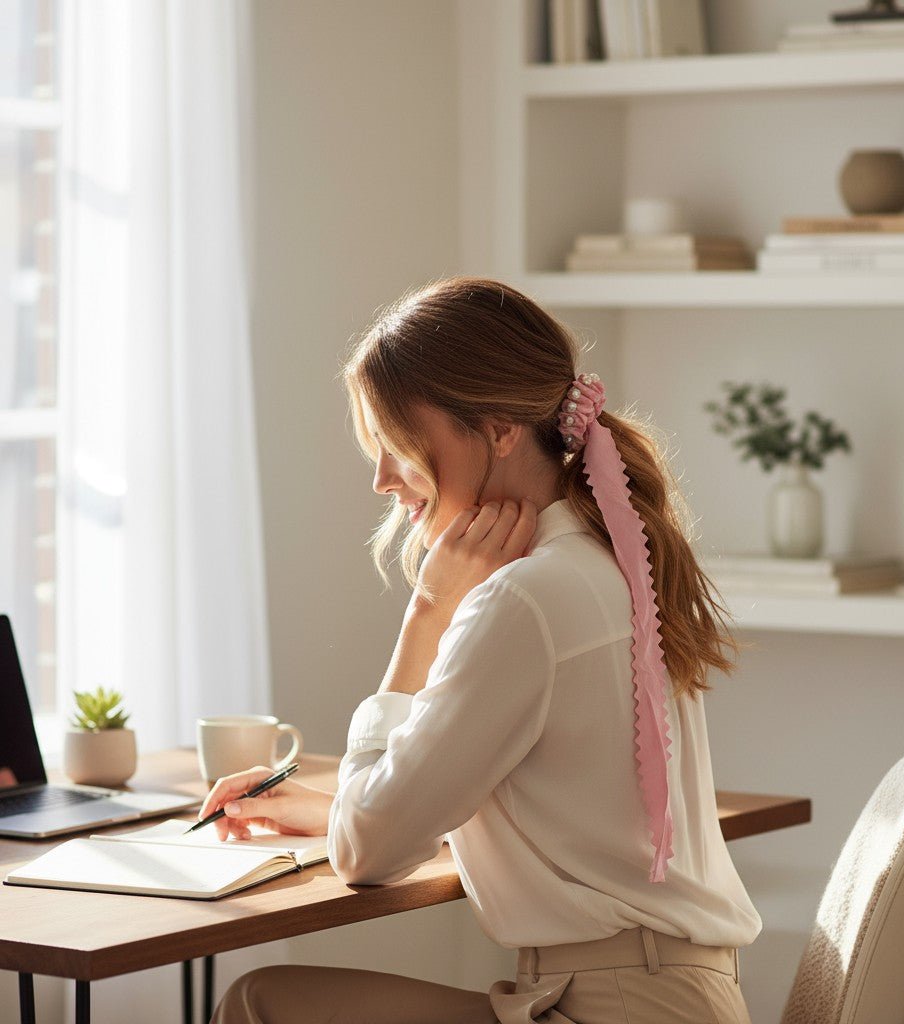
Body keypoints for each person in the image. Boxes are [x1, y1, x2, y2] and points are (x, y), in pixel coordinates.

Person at [205, 277, 762, 1024]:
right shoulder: (613, 562)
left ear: (499, 430)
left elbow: (366, 855)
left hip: (611, 1009)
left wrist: (426, 617)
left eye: (399, 444)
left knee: (260, 1002)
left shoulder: (521, 603)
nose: (380, 479)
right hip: (676, 997)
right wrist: (334, 801)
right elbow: (534, 794)